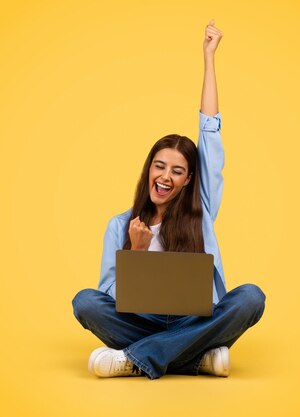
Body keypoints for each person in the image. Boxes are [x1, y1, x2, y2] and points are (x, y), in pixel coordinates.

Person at [72, 20, 266, 380]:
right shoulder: (120, 225)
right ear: (148, 170)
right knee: (85, 302)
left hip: (196, 316)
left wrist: (209, 58)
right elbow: (108, 296)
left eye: (177, 171)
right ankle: (196, 357)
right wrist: (136, 251)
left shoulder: (202, 210)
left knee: (251, 297)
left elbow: (210, 132)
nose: (165, 176)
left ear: (189, 179)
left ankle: (135, 358)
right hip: (141, 321)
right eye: (159, 166)